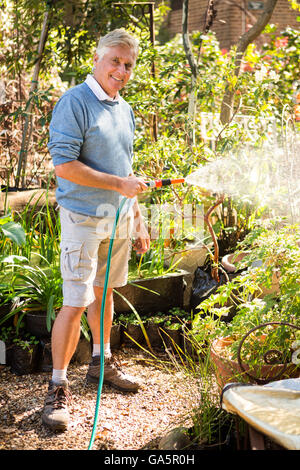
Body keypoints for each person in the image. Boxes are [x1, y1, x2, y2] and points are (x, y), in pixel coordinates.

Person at [42, 29, 150, 432]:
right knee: (74, 301)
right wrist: (119, 186)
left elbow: (126, 170)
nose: (121, 71)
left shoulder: (125, 109)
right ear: (96, 58)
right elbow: (64, 166)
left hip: (118, 217)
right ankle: (57, 387)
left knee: (104, 294)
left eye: (128, 65)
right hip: (83, 219)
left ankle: (100, 364)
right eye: (115, 61)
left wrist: (135, 215)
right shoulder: (75, 103)